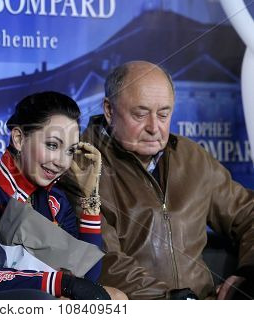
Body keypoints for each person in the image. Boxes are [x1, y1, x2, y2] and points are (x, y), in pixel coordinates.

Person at [60, 60, 254, 299]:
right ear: (109, 111)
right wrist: (174, 302)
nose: (154, 127)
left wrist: (249, 272)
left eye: (164, 114)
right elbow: (102, 259)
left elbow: (248, 213)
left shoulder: (192, 157)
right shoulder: (80, 164)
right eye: (140, 114)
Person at [0, 91, 127, 300]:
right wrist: (59, 285)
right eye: (52, 145)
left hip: (42, 301)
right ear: (18, 139)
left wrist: (89, 201)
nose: (62, 162)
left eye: (70, 151)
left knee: (116, 297)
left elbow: (85, 276)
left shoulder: (56, 201)